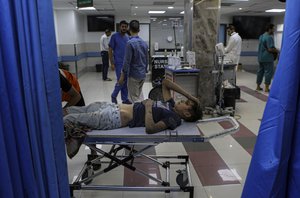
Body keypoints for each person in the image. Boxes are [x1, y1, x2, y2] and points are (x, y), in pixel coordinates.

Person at [63, 79, 203, 158]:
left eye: (186, 103)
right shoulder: (170, 105)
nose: (182, 101)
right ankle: (76, 134)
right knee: (67, 111)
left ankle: (72, 136)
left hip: (113, 118)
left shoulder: (174, 119)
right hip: (111, 107)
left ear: (187, 114)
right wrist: (190, 96)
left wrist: (148, 107)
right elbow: (166, 82)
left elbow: (150, 129)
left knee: (67, 119)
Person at [118, 20, 148, 103]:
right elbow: (146, 60)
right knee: (138, 95)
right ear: (139, 30)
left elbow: (126, 61)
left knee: (134, 99)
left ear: (129, 29)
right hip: (142, 75)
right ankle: (141, 112)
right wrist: (145, 71)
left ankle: (139, 115)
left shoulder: (130, 43)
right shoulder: (144, 43)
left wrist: (122, 75)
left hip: (134, 75)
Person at [109, 20, 131, 104]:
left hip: (126, 63)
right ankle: (114, 95)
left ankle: (124, 99)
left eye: (125, 27)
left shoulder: (127, 37)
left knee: (125, 82)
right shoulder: (114, 36)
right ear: (119, 27)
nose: (124, 28)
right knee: (120, 80)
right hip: (118, 63)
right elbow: (110, 50)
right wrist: (112, 63)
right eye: (123, 26)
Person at [256, 24, 279, 92]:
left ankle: (258, 86)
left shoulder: (261, 36)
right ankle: (266, 88)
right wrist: (277, 50)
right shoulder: (269, 37)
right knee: (268, 72)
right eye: (273, 29)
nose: (273, 30)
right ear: (269, 29)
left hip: (260, 57)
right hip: (267, 58)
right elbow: (270, 49)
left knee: (260, 72)